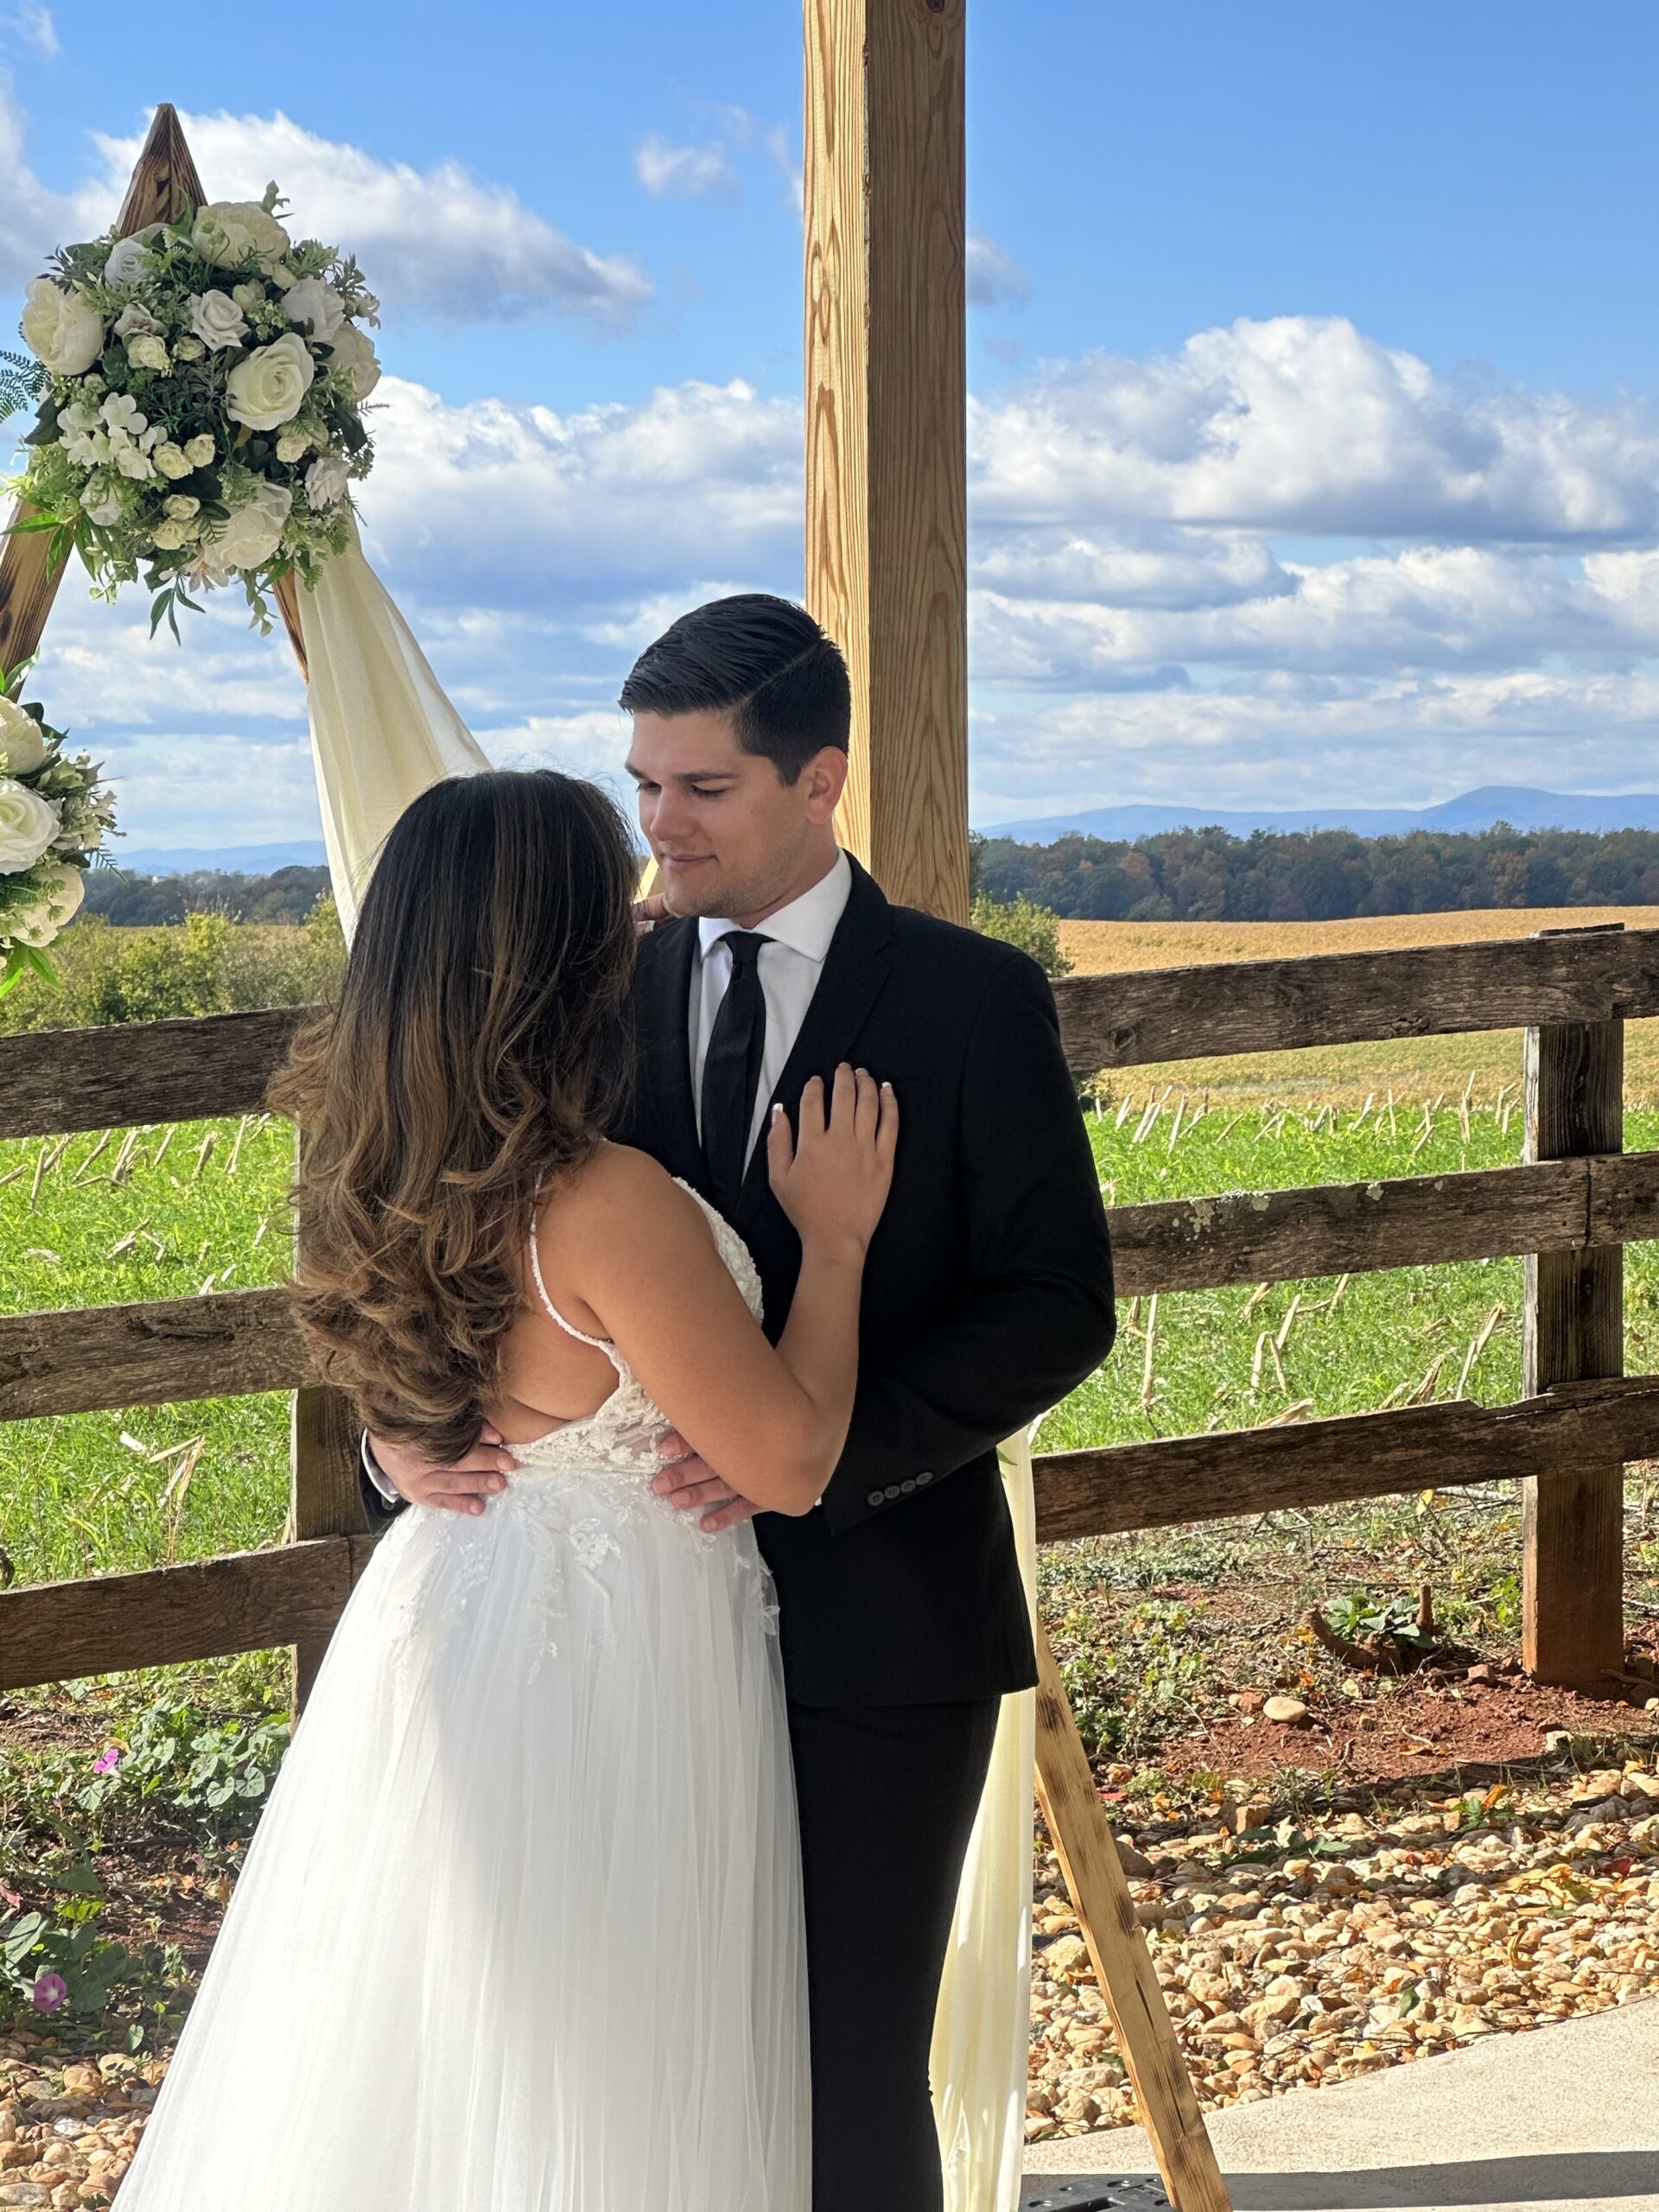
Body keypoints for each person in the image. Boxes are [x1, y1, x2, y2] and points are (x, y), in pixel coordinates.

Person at [366, 596, 1117, 2212]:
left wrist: (819, 1469)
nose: (659, 825)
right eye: (641, 783)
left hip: (878, 1628)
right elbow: (439, 1204)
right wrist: (397, 1434)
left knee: (844, 2085)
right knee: (613, 2066)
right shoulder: (580, 983)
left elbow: (1060, 1310)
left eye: (701, 788)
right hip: (603, 1651)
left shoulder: (970, 1002)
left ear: (820, 777)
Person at [114, 768, 897, 2212]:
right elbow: (785, 1461)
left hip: (451, 1614)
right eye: (617, 901)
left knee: (432, 2041)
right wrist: (833, 1245)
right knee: (603, 2059)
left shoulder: (376, 1159)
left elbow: (414, 1382)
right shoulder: (602, 1202)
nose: (649, 910)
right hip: (618, 1662)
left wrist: (394, 1444)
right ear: (560, 955)